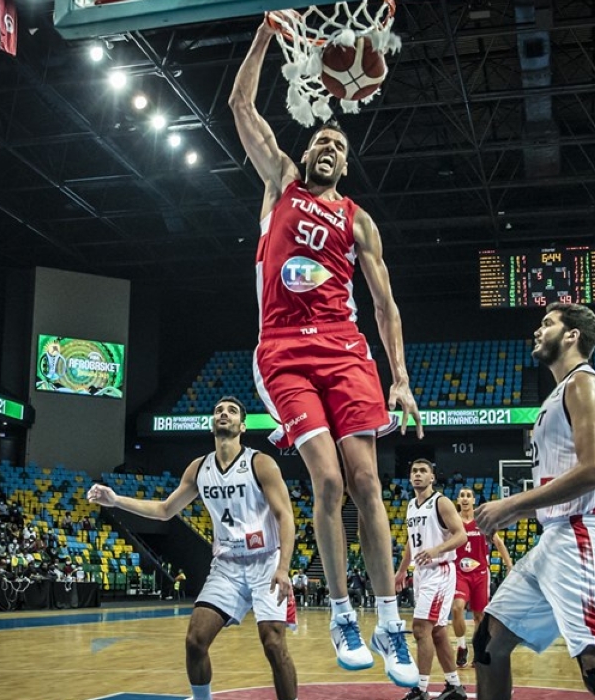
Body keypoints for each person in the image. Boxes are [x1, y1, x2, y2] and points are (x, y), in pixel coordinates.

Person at [229, 19, 421, 688]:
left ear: (347, 161)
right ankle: (341, 610)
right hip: (283, 350)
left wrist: (401, 380)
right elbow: (240, 107)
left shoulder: (358, 221)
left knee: (367, 482)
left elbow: (386, 305)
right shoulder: (280, 182)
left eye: (339, 143)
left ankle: (389, 618)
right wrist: (262, 38)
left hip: (347, 352)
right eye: (322, 139)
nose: (330, 147)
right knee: (330, 481)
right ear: (307, 154)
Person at [472, 303, 595, 700]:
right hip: (558, 537)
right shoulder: (562, 393)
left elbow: (594, 469)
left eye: (547, 324)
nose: (537, 331)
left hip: (584, 535)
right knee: (487, 646)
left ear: (572, 335)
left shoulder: (584, 384)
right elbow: (565, 480)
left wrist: (512, 504)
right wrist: (525, 510)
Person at [86, 396, 298, 700]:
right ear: (213, 422)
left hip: (266, 562)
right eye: (219, 410)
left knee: (274, 644)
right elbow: (163, 511)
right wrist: (116, 500)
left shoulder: (260, 463)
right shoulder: (199, 469)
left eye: (232, 411)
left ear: (243, 424)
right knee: (195, 641)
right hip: (226, 567)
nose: (224, 413)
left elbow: (285, 516)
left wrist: (283, 568)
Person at [394, 459, 468, 700]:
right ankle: (454, 686)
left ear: (432, 478)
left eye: (423, 471)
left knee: (420, 628)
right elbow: (410, 542)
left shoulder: (441, 502)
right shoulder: (411, 506)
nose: (417, 474)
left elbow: (461, 536)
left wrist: (436, 550)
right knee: (437, 632)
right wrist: (402, 570)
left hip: (440, 570)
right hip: (421, 573)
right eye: (414, 470)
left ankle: (420, 689)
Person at [451, 486, 513, 668]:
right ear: (458, 500)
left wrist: (509, 565)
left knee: (479, 616)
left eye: (468, 495)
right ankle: (462, 646)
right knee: (457, 608)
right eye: (461, 495)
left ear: (473, 501)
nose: (465, 498)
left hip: (480, 573)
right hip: (459, 572)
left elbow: (499, 543)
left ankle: (479, 652)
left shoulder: (482, 522)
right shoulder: (453, 522)